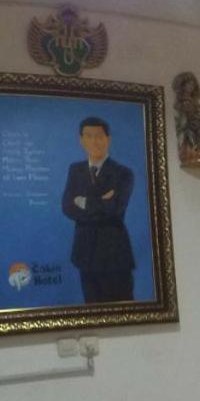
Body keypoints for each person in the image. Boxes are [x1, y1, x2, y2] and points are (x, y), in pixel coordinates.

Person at [61, 116, 135, 302]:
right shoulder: (75, 170)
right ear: (81, 140)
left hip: (114, 255)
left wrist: (83, 202)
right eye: (88, 136)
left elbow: (115, 209)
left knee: (121, 310)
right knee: (92, 308)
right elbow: (67, 207)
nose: (94, 142)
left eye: (99, 136)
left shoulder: (123, 173)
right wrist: (100, 202)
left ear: (108, 139)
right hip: (84, 254)